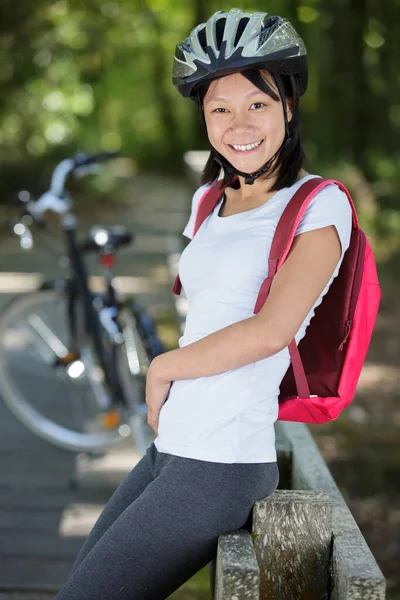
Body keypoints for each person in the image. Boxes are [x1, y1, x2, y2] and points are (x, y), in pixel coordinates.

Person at [55, 9, 352, 599]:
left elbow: (271, 330)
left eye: (258, 104)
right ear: (204, 118)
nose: (239, 124)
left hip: (221, 465)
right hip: (173, 448)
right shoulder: (207, 201)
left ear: (288, 107)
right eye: (221, 108)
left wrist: (164, 366)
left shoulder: (320, 206)